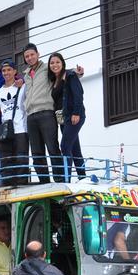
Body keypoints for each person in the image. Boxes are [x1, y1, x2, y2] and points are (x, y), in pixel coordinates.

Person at [21, 43, 64, 184]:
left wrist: (78, 73)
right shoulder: (26, 74)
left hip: (46, 113)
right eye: (26, 56)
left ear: (38, 54)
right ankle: (44, 182)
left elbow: (62, 72)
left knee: (52, 147)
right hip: (31, 116)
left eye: (32, 54)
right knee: (36, 152)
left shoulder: (47, 68)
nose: (29, 58)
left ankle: (59, 180)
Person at [49, 52, 86, 180]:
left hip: (74, 116)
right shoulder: (53, 80)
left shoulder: (70, 75)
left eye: (57, 62)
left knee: (64, 146)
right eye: (52, 63)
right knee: (75, 149)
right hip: (63, 119)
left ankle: (67, 179)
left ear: (62, 63)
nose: (55, 65)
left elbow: (78, 94)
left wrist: (76, 112)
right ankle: (83, 178)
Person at [0, 60, 28, 186]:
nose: (6, 73)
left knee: (21, 158)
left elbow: (31, 80)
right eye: (4, 71)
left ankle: (22, 184)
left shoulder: (21, 86)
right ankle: (8, 186)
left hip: (20, 129)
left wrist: (22, 80)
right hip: (6, 131)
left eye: (9, 70)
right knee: (6, 160)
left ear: (14, 71)